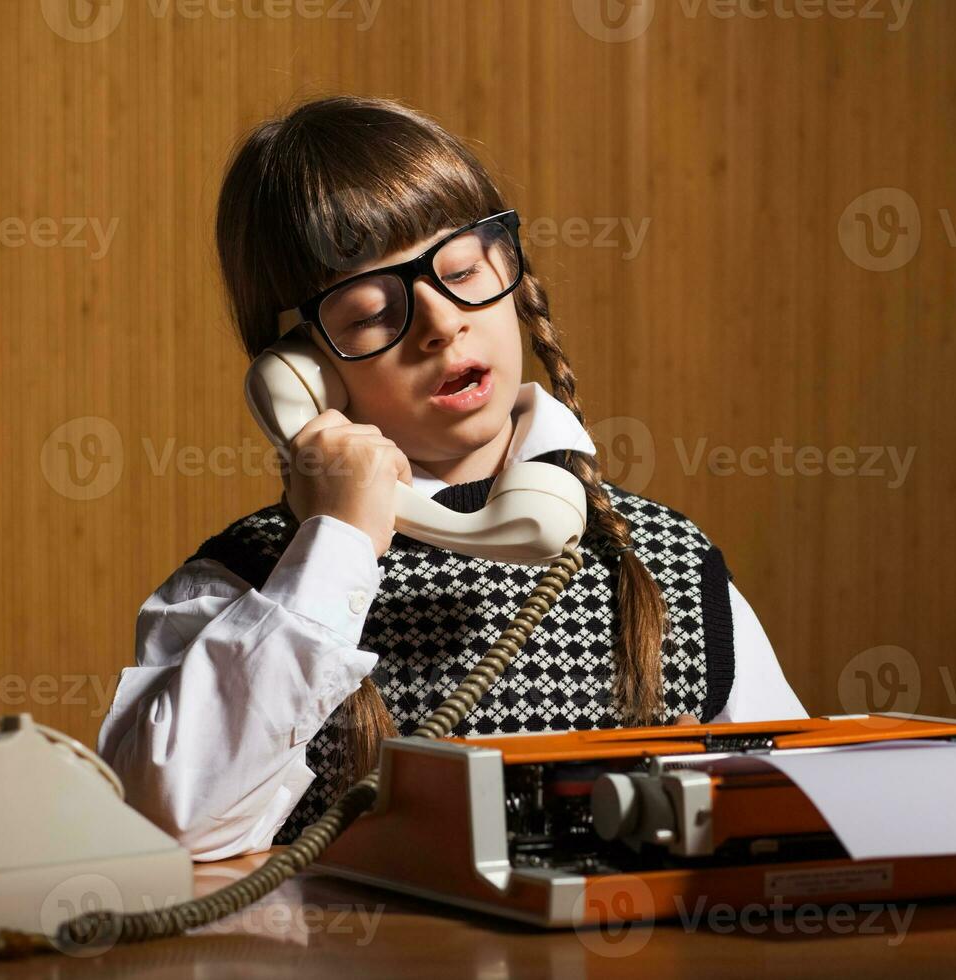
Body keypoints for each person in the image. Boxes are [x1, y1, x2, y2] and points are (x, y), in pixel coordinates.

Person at [97, 94, 805, 861]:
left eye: (463, 268)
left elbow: (798, 818)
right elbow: (165, 826)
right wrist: (335, 549)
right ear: (298, 370)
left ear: (510, 267)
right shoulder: (243, 587)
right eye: (370, 312)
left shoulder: (665, 563)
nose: (441, 323)